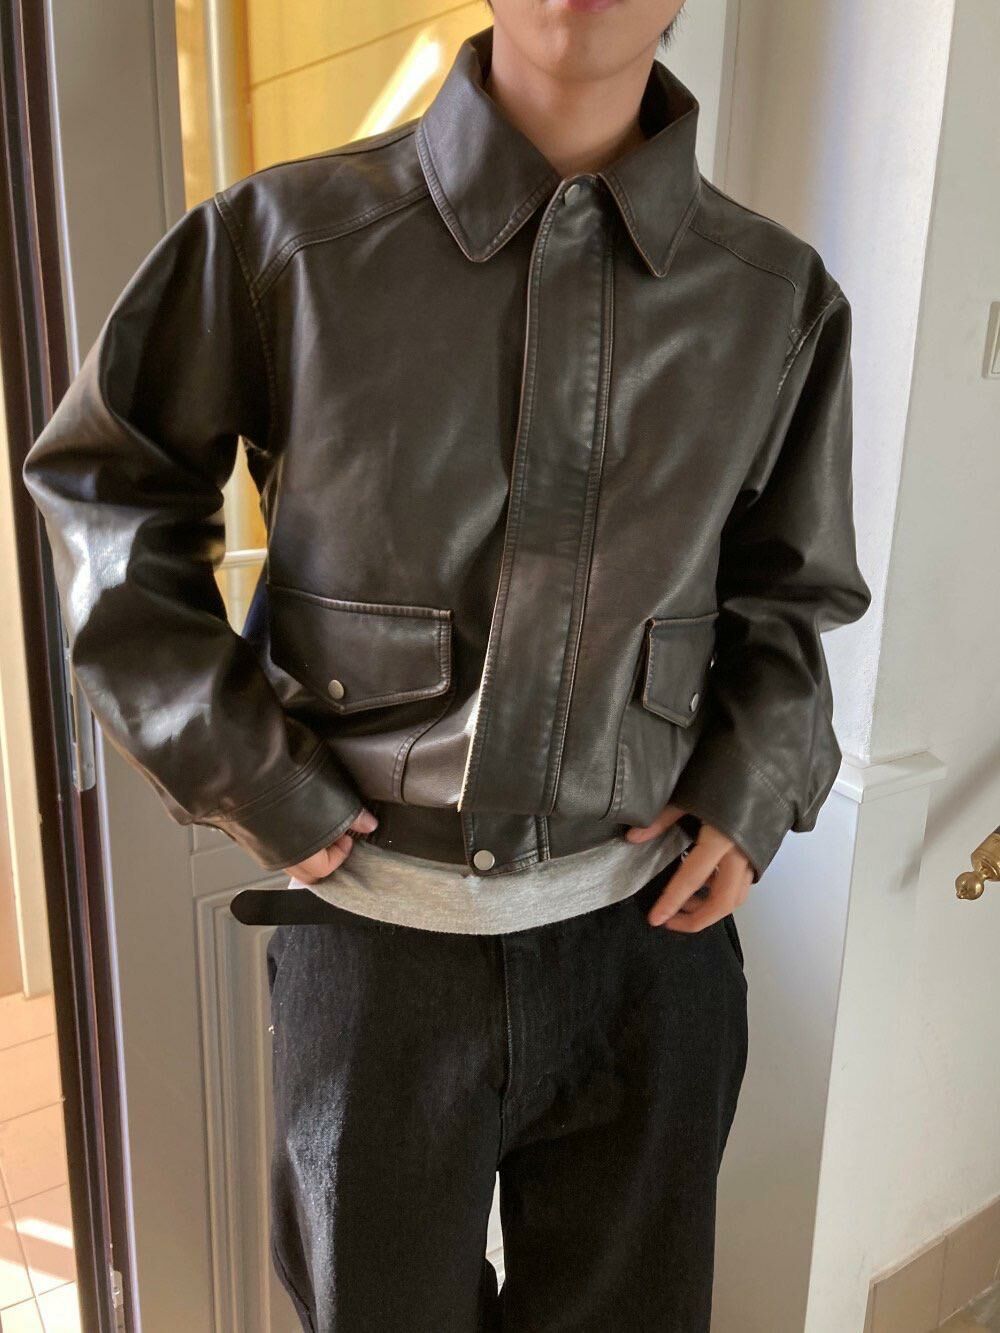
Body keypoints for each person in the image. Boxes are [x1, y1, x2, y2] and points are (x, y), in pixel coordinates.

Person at [21, 2, 872, 1329]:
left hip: (649, 952)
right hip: (377, 955)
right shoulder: (283, 241)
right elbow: (104, 488)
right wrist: (250, 770)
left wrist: (753, 786)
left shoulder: (775, 298)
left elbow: (788, 588)